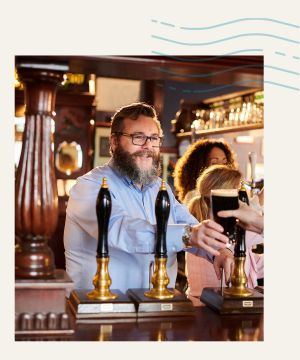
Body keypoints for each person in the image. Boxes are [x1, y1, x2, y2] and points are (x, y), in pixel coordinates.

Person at [64, 102, 233, 293]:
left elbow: (192, 228)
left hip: (155, 308)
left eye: (154, 138)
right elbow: (119, 230)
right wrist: (189, 235)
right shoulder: (89, 186)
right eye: (138, 138)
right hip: (101, 311)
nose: (148, 146)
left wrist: (220, 251)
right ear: (113, 142)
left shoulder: (158, 188)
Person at [185, 165, 264, 305]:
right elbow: (259, 215)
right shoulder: (218, 234)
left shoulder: (202, 230)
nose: (244, 198)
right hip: (212, 314)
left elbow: (255, 266)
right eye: (240, 191)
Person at [173, 138, 237, 205]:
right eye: (214, 163)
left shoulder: (231, 193)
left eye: (225, 163)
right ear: (199, 169)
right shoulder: (194, 197)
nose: (222, 168)